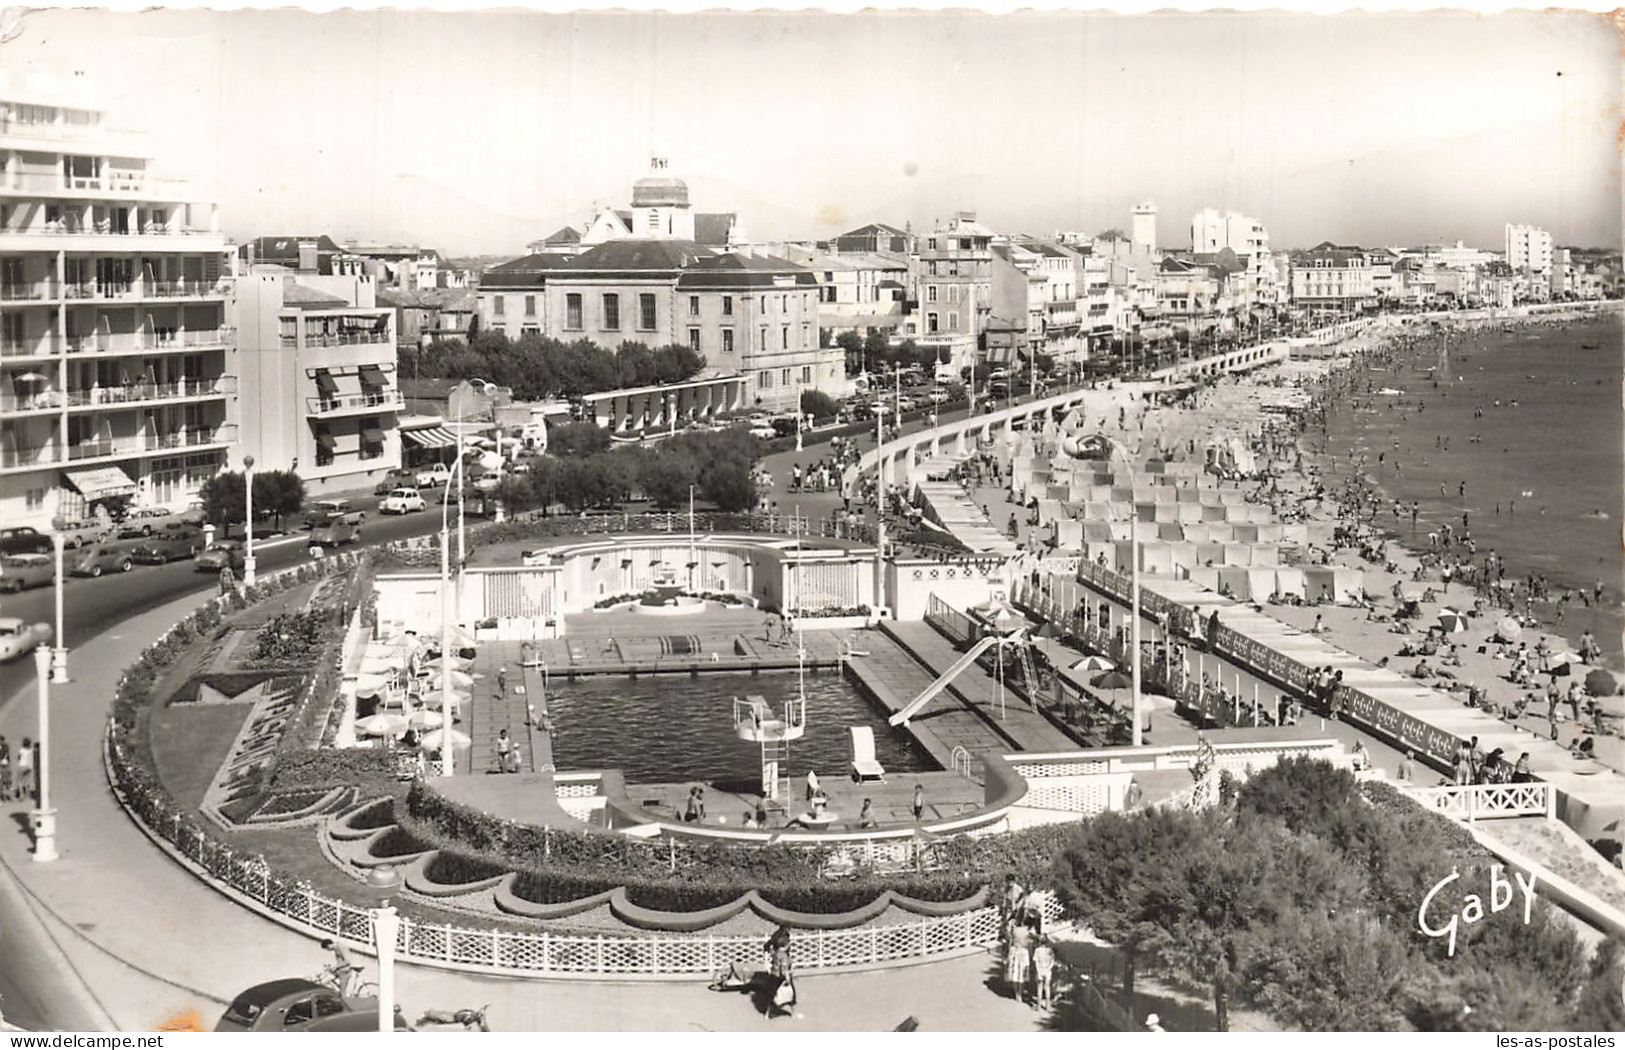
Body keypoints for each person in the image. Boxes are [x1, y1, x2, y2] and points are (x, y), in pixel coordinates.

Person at [1031, 936, 1056, 1010]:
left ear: (1039, 942)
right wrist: (1049, 968)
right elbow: (1052, 962)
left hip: (1040, 970)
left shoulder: (1037, 950)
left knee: (1039, 988)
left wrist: (1038, 971)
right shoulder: (1050, 951)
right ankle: (1047, 1006)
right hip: (1047, 970)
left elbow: (1036, 962)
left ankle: (1038, 1006)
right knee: (1047, 988)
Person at [13, 738, 33, 803]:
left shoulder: (22, 750)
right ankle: (28, 794)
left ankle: (21, 794)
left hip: (22, 766)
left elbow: (18, 757)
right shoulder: (31, 750)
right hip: (29, 767)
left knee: (20, 781)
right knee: (27, 781)